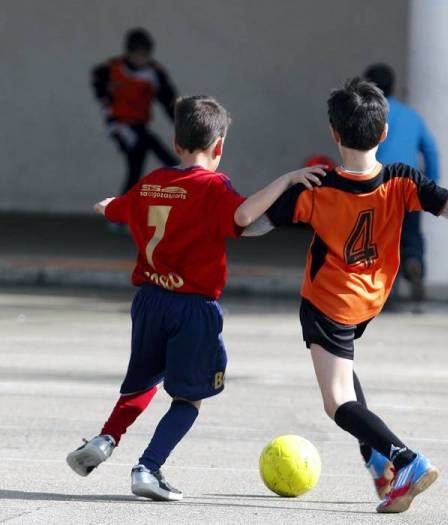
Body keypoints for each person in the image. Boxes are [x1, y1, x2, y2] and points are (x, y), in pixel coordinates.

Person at [264, 78, 448, 513]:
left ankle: (406, 460)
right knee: (343, 370)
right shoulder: (402, 180)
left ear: (334, 134)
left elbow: (251, 223)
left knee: (338, 402)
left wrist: (249, 207)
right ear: (383, 132)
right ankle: (382, 470)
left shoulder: (318, 186)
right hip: (370, 299)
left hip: (328, 303)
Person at [66, 95, 325, 501]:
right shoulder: (213, 187)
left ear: (175, 142)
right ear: (219, 145)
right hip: (193, 309)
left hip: (149, 300)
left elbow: (118, 207)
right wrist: (288, 179)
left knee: (142, 383)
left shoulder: (151, 183)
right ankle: (148, 469)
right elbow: (243, 217)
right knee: (191, 397)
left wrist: (105, 207)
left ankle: (105, 439)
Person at [364, 63, 439, 301]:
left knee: (380, 235)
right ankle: (413, 261)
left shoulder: (368, 115)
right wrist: (431, 183)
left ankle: (386, 282)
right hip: (411, 185)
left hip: (379, 184)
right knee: (411, 232)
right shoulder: (411, 115)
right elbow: (431, 150)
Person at [91, 28, 179, 195]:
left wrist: (179, 124)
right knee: (148, 143)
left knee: (136, 166)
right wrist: (103, 95)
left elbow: (168, 100)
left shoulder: (154, 73)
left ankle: (119, 211)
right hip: (119, 123)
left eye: (145, 55)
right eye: (137, 54)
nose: (141, 59)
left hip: (139, 124)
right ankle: (176, 169)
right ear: (128, 53)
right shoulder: (114, 68)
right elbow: (97, 77)